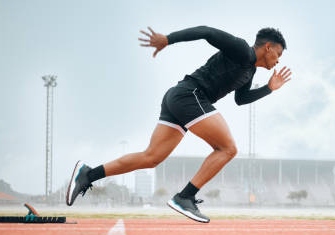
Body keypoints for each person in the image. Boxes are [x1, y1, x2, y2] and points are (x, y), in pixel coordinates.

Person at [66, 26, 291, 223]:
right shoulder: (241, 49)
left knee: (151, 157)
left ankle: (88, 174)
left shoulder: (249, 70)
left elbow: (241, 99)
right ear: (268, 47)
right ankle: (185, 197)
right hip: (190, 95)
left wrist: (268, 89)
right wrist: (168, 39)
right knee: (228, 149)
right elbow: (207, 32)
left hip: (179, 97)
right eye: (278, 54)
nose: (278, 60)